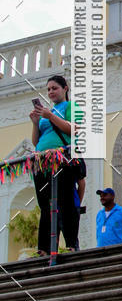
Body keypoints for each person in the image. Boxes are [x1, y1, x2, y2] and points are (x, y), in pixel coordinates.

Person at [29, 75, 79, 255]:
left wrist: (50, 116)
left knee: (65, 202)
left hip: (62, 160)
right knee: (45, 205)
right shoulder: (46, 113)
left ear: (65, 88)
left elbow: (73, 129)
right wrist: (36, 123)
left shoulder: (71, 106)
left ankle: (71, 243)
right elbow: (36, 141)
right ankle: (44, 248)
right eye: (48, 89)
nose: (50, 92)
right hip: (42, 162)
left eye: (54, 88)